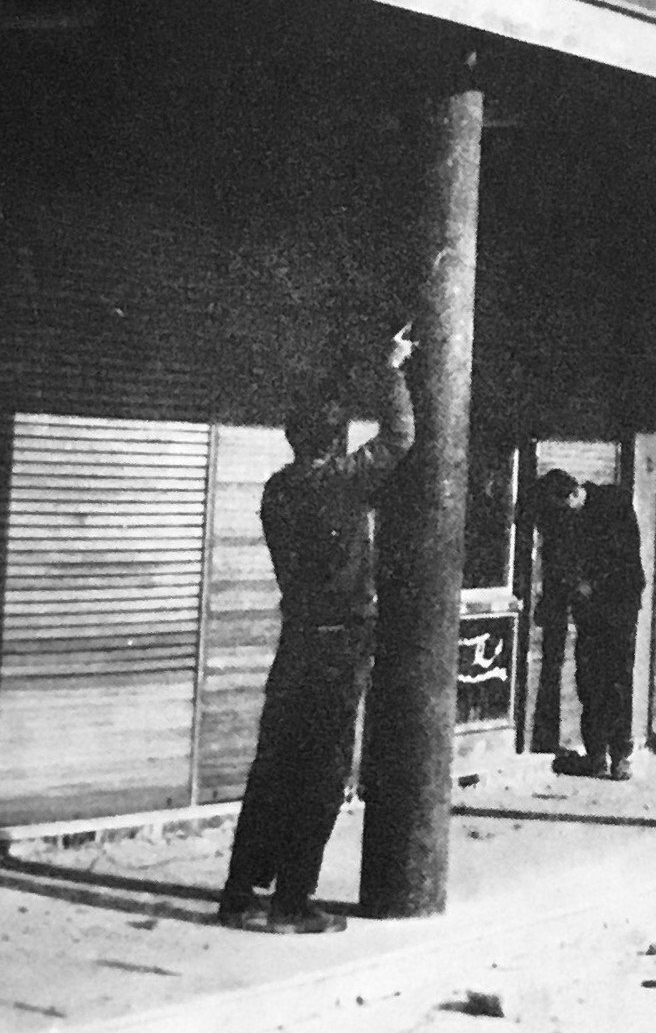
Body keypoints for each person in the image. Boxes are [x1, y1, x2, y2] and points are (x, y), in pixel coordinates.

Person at [217, 324, 416, 934]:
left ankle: (242, 892)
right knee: (323, 772)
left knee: (274, 764)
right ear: (334, 442)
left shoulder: (277, 492)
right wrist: (392, 368)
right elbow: (401, 436)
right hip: (342, 642)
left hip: (298, 638)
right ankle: (293, 903)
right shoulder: (342, 481)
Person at [535, 467, 646, 780]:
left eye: (561, 507)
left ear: (572, 494)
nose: (559, 517)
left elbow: (624, 558)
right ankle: (596, 755)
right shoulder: (569, 515)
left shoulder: (614, 505)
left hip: (619, 606)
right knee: (589, 679)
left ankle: (621, 755)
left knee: (617, 679)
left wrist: (591, 584)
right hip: (589, 611)